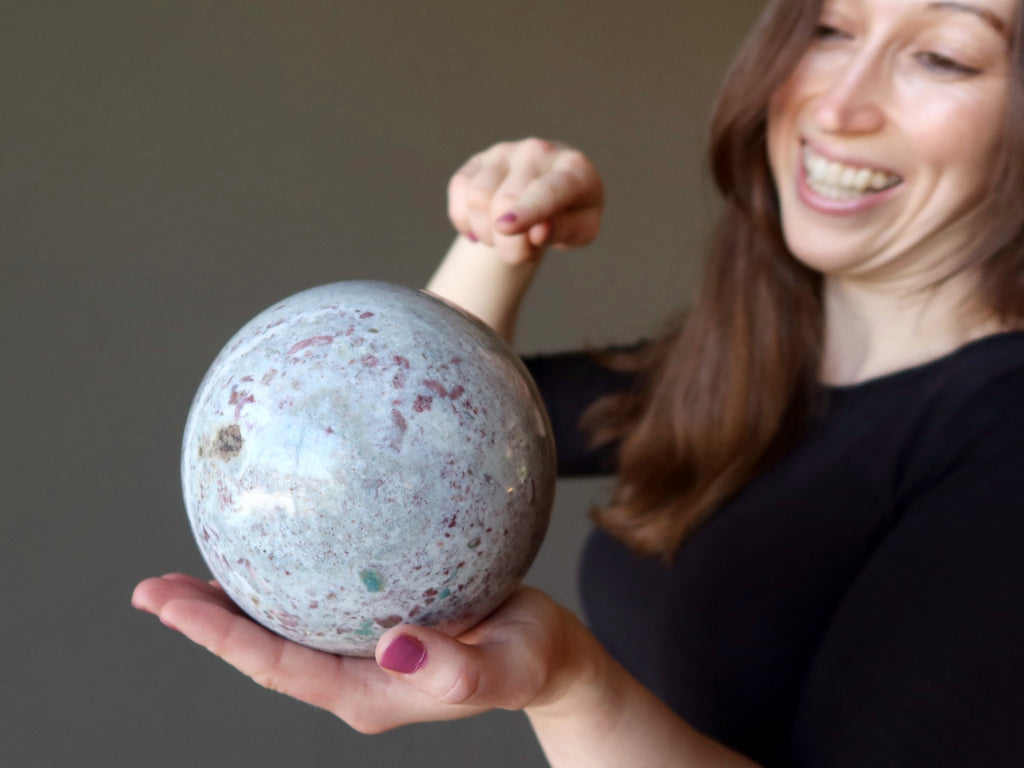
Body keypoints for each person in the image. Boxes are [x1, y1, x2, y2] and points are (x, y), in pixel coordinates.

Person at [132, 0, 1024, 763]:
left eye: (942, 56)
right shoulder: (738, 371)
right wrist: (505, 235)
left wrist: (566, 684)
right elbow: (397, 453)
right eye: (830, 28)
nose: (837, 104)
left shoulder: (1002, 442)